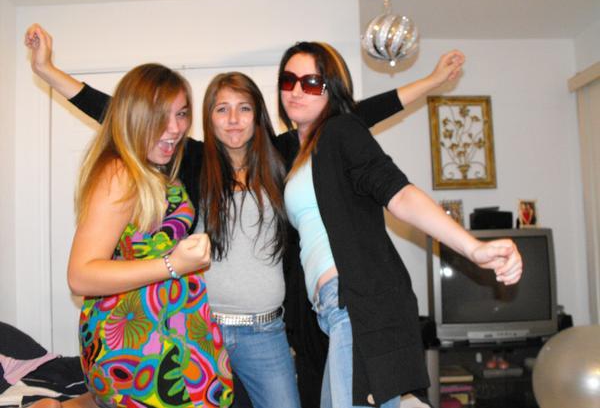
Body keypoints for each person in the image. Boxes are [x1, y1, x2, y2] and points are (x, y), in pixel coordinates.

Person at [25, 23, 466, 408]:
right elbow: (123, 114)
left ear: (258, 115)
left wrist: (429, 83)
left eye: (244, 108)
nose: (233, 120)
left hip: (266, 333)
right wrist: (49, 72)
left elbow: (354, 113)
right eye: (221, 109)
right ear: (208, 118)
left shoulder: (283, 157)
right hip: (201, 328)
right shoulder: (191, 160)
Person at [276, 41, 523, 408]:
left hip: (357, 303)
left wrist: (473, 248)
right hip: (331, 311)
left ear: (332, 89)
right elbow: (372, 108)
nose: (296, 90)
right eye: (288, 80)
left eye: (311, 82)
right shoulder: (293, 150)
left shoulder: (340, 131)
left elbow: (399, 193)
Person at [29, 63, 233, 408]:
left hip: (169, 328)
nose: (175, 128)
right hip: (140, 341)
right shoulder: (120, 172)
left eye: (181, 113)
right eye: (160, 116)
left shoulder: (155, 167)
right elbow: (80, 275)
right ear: (135, 118)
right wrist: (173, 264)